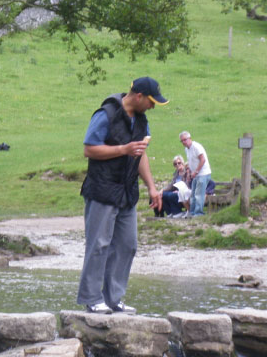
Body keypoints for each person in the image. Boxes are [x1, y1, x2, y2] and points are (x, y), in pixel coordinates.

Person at [77, 77, 167, 315]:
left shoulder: (141, 121)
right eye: (151, 101)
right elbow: (89, 149)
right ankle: (92, 298)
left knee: (128, 245)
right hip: (102, 190)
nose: (153, 106)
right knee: (98, 245)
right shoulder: (105, 114)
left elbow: (141, 155)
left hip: (127, 192)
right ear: (138, 96)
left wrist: (152, 187)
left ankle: (113, 299)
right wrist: (123, 149)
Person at [179, 131, 212, 216]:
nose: (183, 142)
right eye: (181, 141)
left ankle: (199, 213)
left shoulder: (196, 146)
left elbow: (203, 159)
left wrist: (196, 171)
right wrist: (190, 173)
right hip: (195, 174)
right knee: (193, 195)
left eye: (185, 140)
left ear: (190, 138)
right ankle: (192, 212)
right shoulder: (187, 149)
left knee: (199, 194)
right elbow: (191, 162)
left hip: (203, 173)